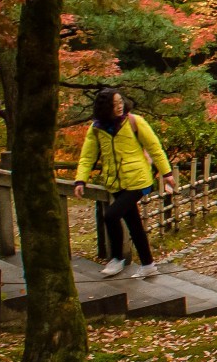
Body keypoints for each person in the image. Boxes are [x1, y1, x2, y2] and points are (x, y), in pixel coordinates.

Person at [74, 88, 176, 278]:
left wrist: (166, 172)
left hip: (138, 179)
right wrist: (81, 179)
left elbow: (155, 148)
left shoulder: (134, 122)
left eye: (120, 102)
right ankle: (148, 264)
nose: (119, 106)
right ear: (105, 107)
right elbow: (87, 157)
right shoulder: (96, 128)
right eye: (114, 104)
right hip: (115, 181)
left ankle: (116, 258)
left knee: (111, 215)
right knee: (133, 223)